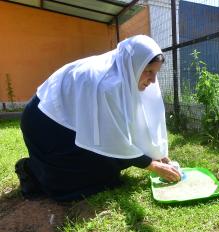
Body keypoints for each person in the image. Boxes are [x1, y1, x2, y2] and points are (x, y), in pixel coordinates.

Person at [15, 35, 181, 202]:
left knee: (110, 167)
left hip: (67, 121)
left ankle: (44, 168)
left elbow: (137, 122)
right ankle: (31, 171)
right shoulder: (107, 84)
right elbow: (114, 137)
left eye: (156, 73)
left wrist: (157, 154)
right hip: (46, 123)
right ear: (134, 65)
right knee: (84, 181)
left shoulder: (124, 71)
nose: (153, 80)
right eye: (148, 71)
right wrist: (153, 165)